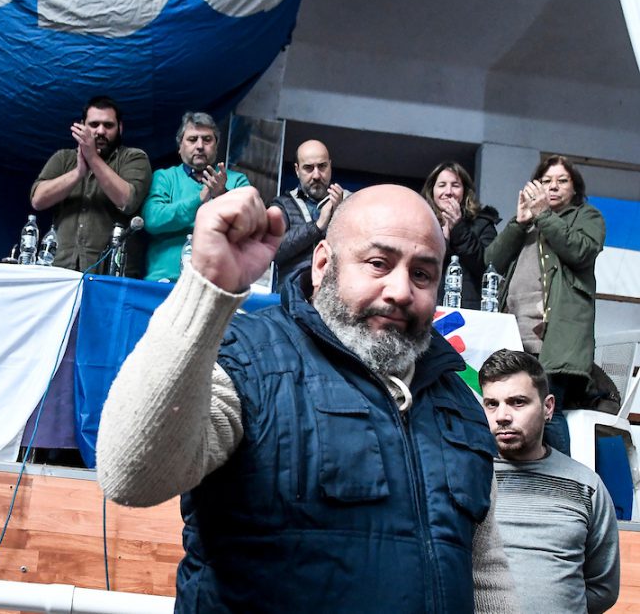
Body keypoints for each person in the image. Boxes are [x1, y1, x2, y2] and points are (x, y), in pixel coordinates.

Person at [96, 185, 515, 612]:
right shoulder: (247, 361)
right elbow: (131, 477)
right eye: (377, 264)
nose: (401, 290)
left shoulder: (459, 402)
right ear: (321, 265)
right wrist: (206, 287)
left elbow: (485, 573)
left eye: (422, 274)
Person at [479, 349, 619, 613]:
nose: (502, 416)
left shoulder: (586, 485)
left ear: (548, 407)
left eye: (518, 402)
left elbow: (603, 587)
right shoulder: (467, 476)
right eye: (492, 404)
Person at [485, 155, 605, 456]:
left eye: (562, 181)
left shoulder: (586, 216)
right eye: (546, 180)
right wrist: (519, 221)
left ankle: (561, 483)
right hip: (515, 334)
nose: (553, 186)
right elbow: (491, 261)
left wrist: (543, 215)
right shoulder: (530, 223)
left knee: (547, 411)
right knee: (510, 409)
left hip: (554, 339)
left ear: (574, 189)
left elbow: (580, 251)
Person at [30, 96, 151, 274]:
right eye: (94, 125)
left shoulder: (134, 157)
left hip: (113, 272)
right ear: (82, 126)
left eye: (108, 125)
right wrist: (78, 173)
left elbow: (127, 200)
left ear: (120, 128)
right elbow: (38, 200)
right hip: (63, 269)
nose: (101, 131)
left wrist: (92, 158)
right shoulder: (63, 158)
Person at [142, 112, 251, 281]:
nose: (200, 146)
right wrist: (199, 199)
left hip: (218, 284)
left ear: (216, 145)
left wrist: (222, 195)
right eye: (192, 139)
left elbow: (250, 228)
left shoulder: (237, 180)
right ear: (179, 147)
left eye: (207, 139)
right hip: (165, 281)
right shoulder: (164, 177)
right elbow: (153, 219)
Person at [420, 161, 500, 309]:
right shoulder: (421, 223)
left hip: (468, 312)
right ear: (432, 191)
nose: (448, 191)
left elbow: (486, 266)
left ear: (465, 191)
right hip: (426, 308)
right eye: (442, 185)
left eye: (455, 185)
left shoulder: (483, 223)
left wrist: (458, 227)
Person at [269, 139, 346, 287]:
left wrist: (341, 215)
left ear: (330, 165)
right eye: (308, 168)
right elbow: (272, 251)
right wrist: (317, 226)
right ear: (297, 170)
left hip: (333, 297)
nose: (316, 175)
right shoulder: (283, 204)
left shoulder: (349, 202)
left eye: (322, 166)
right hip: (292, 298)